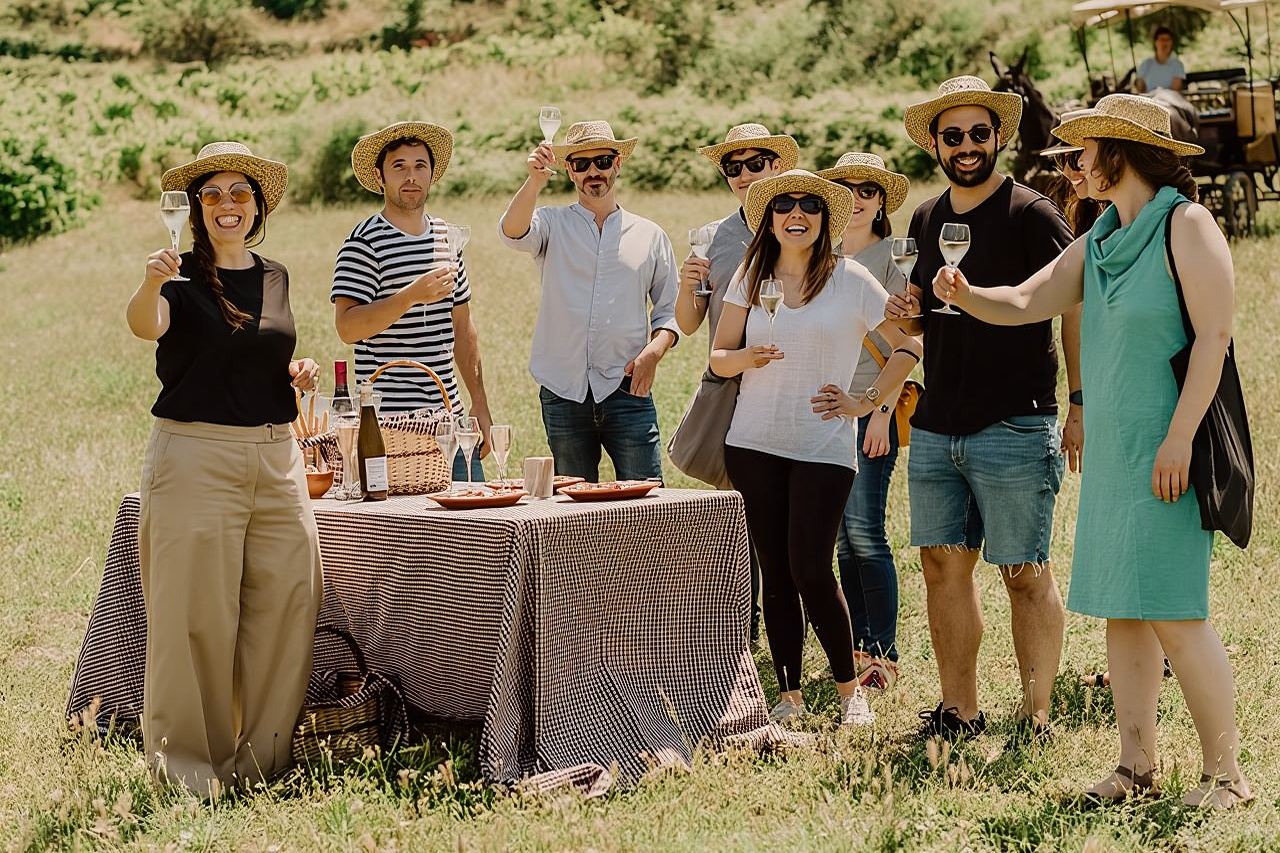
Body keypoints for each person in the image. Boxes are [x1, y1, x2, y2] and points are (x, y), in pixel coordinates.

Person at [932, 93, 1254, 809]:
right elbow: (1024, 300)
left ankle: (1227, 777)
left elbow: (1214, 339)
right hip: (1114, 457)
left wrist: (1178, 437)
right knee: (1125, 611)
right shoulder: (1104, 234)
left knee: (1175, 611)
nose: (1073, 164)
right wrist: (965, 290)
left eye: (1083, 151)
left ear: (1120, 150)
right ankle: (1136, 768)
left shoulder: (1187, 224)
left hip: (1170, 450)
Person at [124, 142, 324, 796]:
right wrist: (152, 281)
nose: (227, 205)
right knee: (193, 615)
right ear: (195, 208)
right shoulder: (176, 274)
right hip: (195, 457)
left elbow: (259, 354)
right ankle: (189, 773)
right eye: (212, 195)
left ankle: (259, 765)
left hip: (276, 456)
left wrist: (295, 372)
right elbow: (146, 325)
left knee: (289, 601)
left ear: (258, 205)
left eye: (240, 193)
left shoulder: (277, 277)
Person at [887, 76, 1081, 741]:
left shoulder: (1032, 214)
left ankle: (1036, 717)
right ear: (935, 144)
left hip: (1016, 418)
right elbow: (921, 320)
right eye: (953, 136)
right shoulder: (924, 217)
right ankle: (958, 712)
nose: (966, 146)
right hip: (939, 421)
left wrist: (1077, 402)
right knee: (942, 564)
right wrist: (905, 311)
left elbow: (1073, 306)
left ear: (997, 137)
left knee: (1023, 570)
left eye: (978, 133)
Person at [710, 170, 922, 726]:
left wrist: (867, 400)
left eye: (809, 204)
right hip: (753, 442)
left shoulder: (850, 279)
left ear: (825, 218)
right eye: (784, 204)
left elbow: (909, 344)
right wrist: (747, 360)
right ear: (770, 217)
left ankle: (850, 690)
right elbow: (718, 358)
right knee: (775, 571)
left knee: (810, 565)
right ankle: (788, 695)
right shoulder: (749, 277)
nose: (796, 213)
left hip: (824, 445)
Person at [499, 120, 681, 481]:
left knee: (648, 504)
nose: (592, 172)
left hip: (628, 388)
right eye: (581, 164)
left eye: (601, 161)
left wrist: (653, 353)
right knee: (573, 513)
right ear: (570, 170)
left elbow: (669, 310)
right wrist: (534, 182)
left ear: (618, 164)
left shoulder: (650, 235)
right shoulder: (551, 223)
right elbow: (512, 233)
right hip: (562, 390)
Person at [678, 122, 799, 644]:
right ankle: (738, 634)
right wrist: (687, 287)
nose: (746, 175)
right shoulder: (714, 237)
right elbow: (688, 323)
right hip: (731, 385)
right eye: (735, 167)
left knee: (794, 516)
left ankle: (795, 624)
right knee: (739, 516)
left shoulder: (801, 225)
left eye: (756, 163)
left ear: (776, 166)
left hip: (790, 385)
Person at [332, 121, 492, 480]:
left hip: (449, 419)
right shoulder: (364, 243)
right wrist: (410, 296)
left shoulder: (446, 237)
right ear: (380, 177)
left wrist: (479, 403)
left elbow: (463, 329)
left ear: (432, 175)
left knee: (473, 526)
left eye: (420, 166)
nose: (411, 177)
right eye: (399, 167)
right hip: (390, 426)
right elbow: (347, 327)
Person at [814, 152, 914, 694]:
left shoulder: (893, 263)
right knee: (840, 540)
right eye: (844, 188)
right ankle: (854, 646)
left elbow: (911, 344)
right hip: (825, 414)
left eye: (867, 190)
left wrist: (879, 410)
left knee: (866, 534)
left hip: (869, 411)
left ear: (880, 204)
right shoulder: (820, 257)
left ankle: (882, 653)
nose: (855, 198)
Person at [1136, 27, 1186, 94]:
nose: (1165, 43)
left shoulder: (1177, 65)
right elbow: (1140, 89)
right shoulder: (1146, 64)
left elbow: (1175, 91)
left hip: (1169, 102)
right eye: (1162, 39)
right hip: (1150, 101)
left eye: (1168, 40)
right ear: (1156, 42)